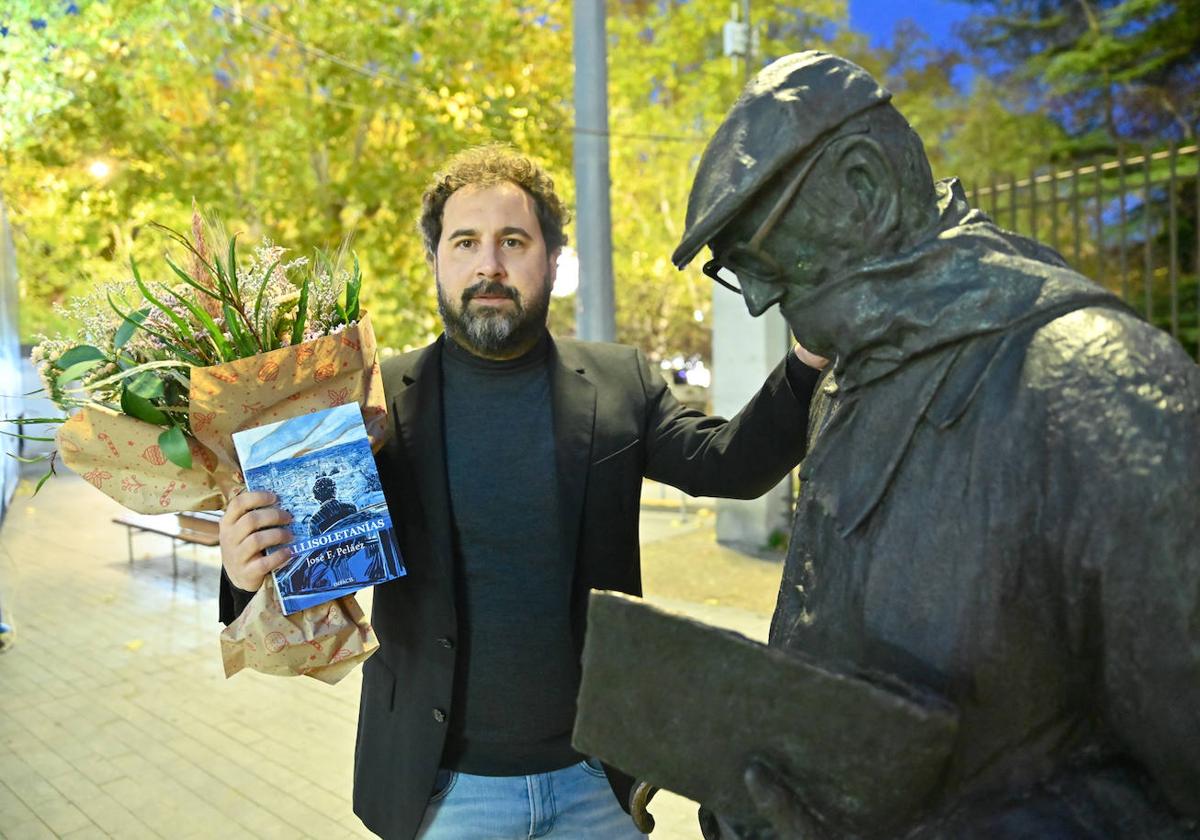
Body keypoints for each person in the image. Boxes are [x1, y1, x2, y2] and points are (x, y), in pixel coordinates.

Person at [218, 144, 828, 840]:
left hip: (599, 783)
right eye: (466, 243)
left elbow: (731, 466)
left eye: (514, 241)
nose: (490, 266)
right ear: (436, 262)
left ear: (552, 260)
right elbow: (303, 562)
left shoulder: (622, 381)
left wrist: (811, 356)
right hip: (441, 792)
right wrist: (245, 567)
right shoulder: (371, 402)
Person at [672, 51, 1200, 838]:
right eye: (733, 268)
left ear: (863, 188)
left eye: (756, 251)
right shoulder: (848, 389)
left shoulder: (1095, 384)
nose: (754, 298)